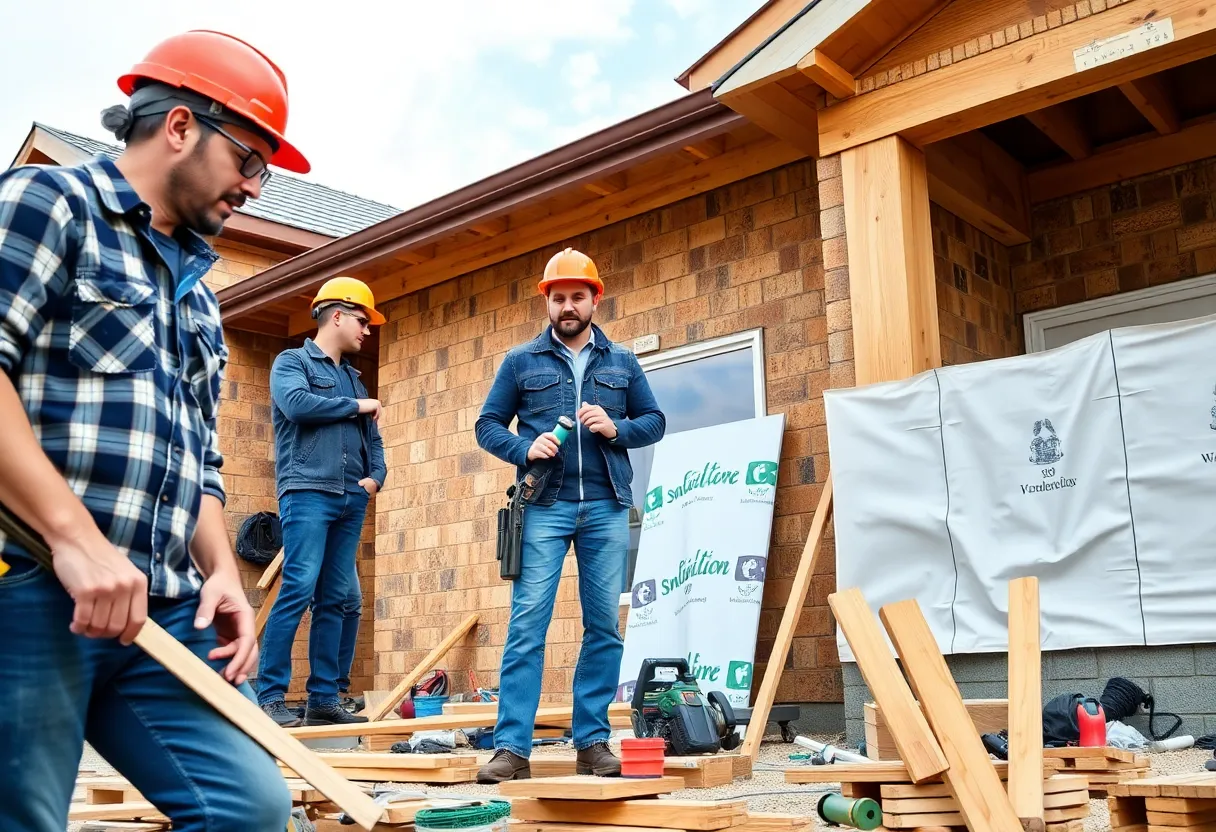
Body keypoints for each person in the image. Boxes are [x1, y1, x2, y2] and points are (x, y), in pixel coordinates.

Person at [0, 30, 305, 832]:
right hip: (29, 580)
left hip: (159, 607)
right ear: (178, 126)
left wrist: (221, 572)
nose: (255, 186)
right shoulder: (49, 204)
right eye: (248, 159)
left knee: (249, 808)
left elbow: (198, 458)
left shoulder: (198, 295)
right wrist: (74, 539)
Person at [473, 247, 666, 783]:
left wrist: (617, 428)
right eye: (558, 297)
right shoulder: (521, 361)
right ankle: (511, 749)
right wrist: (524, 448)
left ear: (594, 300)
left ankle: (592, 743)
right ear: (547, 302)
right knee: (527, 626)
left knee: (603, 626)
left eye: (577, 296)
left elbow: (654, 420)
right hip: (544, 506)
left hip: (607, 507)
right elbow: (487, 425)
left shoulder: (622, 361)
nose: (567, 306)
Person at [257, 276, 387, 727]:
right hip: (308, 491)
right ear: (336, 316)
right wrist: (357, 406)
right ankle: (270, 697)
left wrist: (375, 479)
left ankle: (323, 700)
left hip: (352, 497)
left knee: (334, 599)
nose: (366, 330)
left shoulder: (353, 379)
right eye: (362, 321)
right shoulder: (291, 363)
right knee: (298, 587)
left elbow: (374, 440)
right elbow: (296, 405)